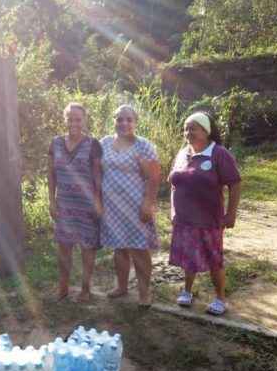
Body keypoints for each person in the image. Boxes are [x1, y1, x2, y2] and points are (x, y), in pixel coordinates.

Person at [168, 111, 241, 316]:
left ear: (206, 131)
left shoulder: (219, 153)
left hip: (209, 219)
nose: (188, 132)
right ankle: (187, 291)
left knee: (213, 258)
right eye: (186, 128)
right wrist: (173, 210)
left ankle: (220, 298)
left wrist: (231, 214)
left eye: (194, 128)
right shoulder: (183, 153)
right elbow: (173, 184)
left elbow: (235, 184)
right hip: (184, 219)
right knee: (188, 256)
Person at [100, 104, 161, 306]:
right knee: (119, 247)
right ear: (114, 121)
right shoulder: (105, 143)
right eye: (119, 119)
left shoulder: (143, 145)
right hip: (112, 206)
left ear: (135, 122)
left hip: (136, 205)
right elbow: (98, 171)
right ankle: (122, 287)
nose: (124, 123)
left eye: (128, 119)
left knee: (139, 248)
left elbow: (153, 178)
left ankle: (144, 293)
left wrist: (148, 203)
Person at [48, 102, 103, 302]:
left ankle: (85, 289)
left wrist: (97, 202)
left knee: (87, 247)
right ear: (65, 119)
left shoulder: (92, 144)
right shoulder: (55, 143)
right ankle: (63, 287)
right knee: (64, 247)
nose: (74, 122)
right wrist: (51, 201)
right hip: (64, 204)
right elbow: (51, 174)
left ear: (84, 120)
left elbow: (98, 177)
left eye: (78, 119)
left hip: (86, 206)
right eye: (70, 118)